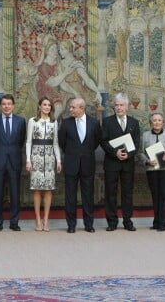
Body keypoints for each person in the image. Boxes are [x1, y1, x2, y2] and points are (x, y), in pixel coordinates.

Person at [58, 97, 102, 233]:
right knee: (70, 196)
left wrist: (84, 153)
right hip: (71, 164)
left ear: (82, 108)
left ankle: (89, 224)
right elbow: (62, 143)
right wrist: (74, 153)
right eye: (70, 107)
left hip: (88, 164)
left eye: (73, 107)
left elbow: (96, 142)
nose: (70, 109)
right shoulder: (65, 123)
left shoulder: (94, 123)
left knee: (88, 195)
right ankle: (71, 225)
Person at [100, 93, 140, 232]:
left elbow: (136, 143)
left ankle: (127, 221)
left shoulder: (134, 122)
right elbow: (103, 141)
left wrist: (128, 154)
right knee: (111, 192)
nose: (119, 108)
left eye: (121, 105)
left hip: (128, 164)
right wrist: (115, 153)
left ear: (127, 107)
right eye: (116, 105)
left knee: (127, 193)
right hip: (112, 163)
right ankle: (112, 221)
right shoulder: (107, 122)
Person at [0, 94, 26, 231]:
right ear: (0, 106)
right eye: (4, 104)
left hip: (14, 161)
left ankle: (14, 222)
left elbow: (21, 141)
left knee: (15, 194)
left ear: (13, 105)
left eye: (9, 104)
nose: (7, 106)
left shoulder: (21, 121)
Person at [26, 97, 61, 232]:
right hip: (36, 157)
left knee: (48, 189)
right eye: (44, 105)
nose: (47, 107)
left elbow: (55, 143)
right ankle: (37, 220)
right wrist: (28, 160)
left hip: (50, 158)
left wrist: (58, 160)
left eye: (49, 105)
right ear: (39, 106)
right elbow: (28, 142)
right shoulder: (33, 121)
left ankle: (46, 220)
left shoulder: (54, 122)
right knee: (37, 189)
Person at [140, 112, 165, 232]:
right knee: (155, 196)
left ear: (163, 122)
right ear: (151, 123)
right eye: (154, 120)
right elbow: (140, 153)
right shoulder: (145, 135)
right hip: (152, 170)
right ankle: (156, 221)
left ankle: (164, 223)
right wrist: (147, 161)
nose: (157, 122)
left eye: (159, 120)